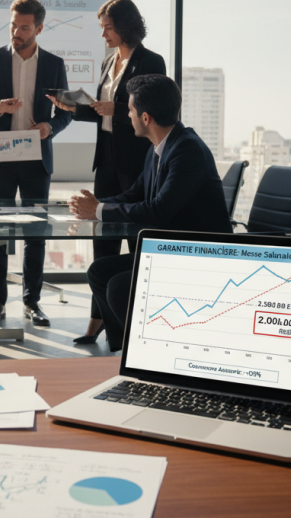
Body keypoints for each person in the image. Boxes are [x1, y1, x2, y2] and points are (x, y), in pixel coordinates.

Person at [69, 74, 232, 352]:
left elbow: (159, 210)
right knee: (99, 271)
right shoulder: (159, 146)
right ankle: (125, 350)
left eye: (130, 111)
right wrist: (97, 205)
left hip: (198, 254)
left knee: (119, 287)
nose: (128, 116)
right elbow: (136, 194)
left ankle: (152, 351)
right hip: (173, 249)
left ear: (145, 118)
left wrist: (98, 210)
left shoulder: (187, 149)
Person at [46, 0, 166, 344]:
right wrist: (70, 105)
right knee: (103, 244)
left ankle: (135, 325)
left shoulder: (150, 60)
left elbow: (151, 110)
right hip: (108, 161)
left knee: (136, 242)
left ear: (125, 25)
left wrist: (114, 106)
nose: (103, 35)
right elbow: (101, 112)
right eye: (101, 28)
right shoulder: (108, 61)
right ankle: (98, 321)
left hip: (136, 162)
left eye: (108, 27)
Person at [0, 0, 72, 326]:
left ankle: (32, 302)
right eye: (13, 24)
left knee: (36, 234)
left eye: (23, 27)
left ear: (39, 28)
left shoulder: (55, 64)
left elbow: (66, 113)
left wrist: (49, 127)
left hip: (35, 159)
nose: (16, 31)